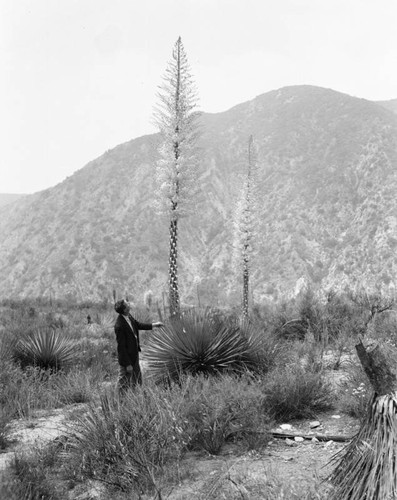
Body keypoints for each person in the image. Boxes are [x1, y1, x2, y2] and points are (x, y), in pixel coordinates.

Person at [114, 298, 163, 394]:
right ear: (125, 309)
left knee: (137, 378)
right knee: (123, 381)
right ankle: (117, 402)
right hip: (127, 358)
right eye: (127, 303)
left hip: (134, 354)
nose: (129, 303)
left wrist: (154, 325)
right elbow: (121, 347)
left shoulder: (128, 317)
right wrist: (127, 364)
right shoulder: (119, 325)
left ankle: (136, 397)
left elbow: (138, 325)